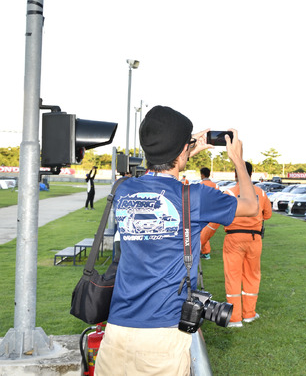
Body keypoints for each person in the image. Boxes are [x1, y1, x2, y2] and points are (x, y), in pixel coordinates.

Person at [95, 105, 258, 376]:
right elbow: (251, 206)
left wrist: (181, 149)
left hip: (117, 331)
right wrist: (238, 160)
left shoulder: (123, 189)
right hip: (162, 336)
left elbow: (157, 173)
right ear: (182, 151)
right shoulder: (195, 196)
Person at [222, 162, 272, 328]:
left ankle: (235, 318)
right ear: (251, 174)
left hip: (233, 237)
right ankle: (249, 314)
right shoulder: (261, 193)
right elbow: (268, 215)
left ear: (236, 174)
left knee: (233, 276)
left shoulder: (229, 192)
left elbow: (221, 214)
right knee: (252, 275)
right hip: (254, 239)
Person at [199, 167, 218, 260]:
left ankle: (205, 252)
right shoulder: (215, 185)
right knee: (207, 232)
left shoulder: (200, 185)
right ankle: (204, 252)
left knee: (203, 232)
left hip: (203, 211)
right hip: (213, 211)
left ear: (202, 174)